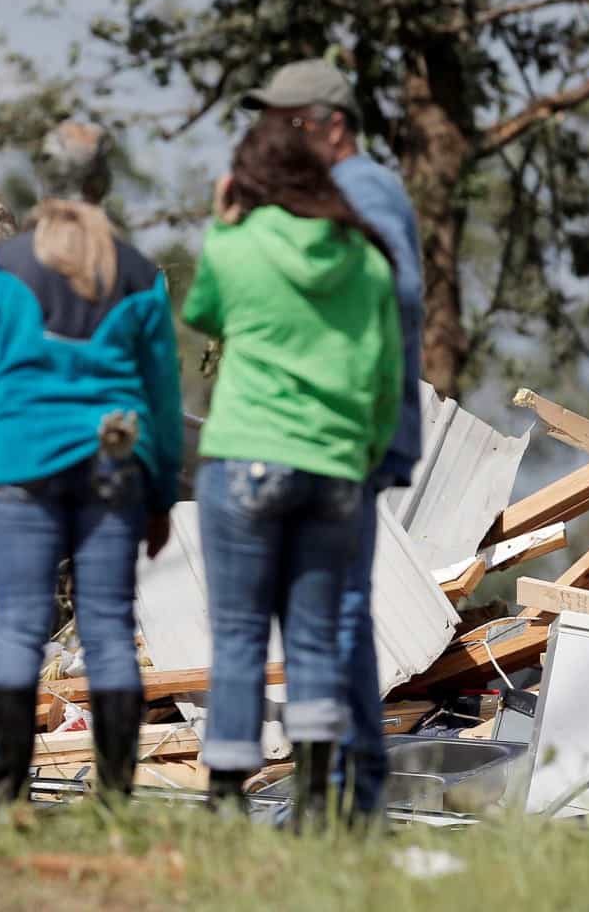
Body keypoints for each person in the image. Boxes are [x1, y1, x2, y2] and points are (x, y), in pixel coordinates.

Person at [183, 118, 403, 830]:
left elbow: (201, 312)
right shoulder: (367, 260)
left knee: (241, 634)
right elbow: (385, 377)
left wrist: (223, 224)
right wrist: (362, 454)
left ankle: (224, 803)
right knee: (313, 639)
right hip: (335, 467)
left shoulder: (236, 246)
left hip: (245, 458)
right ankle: (313, 801)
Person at [0, 198, 184, 810]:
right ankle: (115, 802)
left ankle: (11, 802)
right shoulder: (139, 273)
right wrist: (161, 492)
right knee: (110, 629)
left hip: (19, 463)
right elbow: (163, 394)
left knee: (18, 625)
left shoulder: (4, 265)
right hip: (112, 467)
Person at [242, 59, 425, 827]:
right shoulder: (337, 193)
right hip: (345, 430)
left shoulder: (365, 188)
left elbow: (400, 289)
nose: (276, 136)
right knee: (327, 609)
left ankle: (349, 800)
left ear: (332, 124)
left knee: (334, 611)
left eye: (289, 122)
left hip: (350, 432)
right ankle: (350, 793)